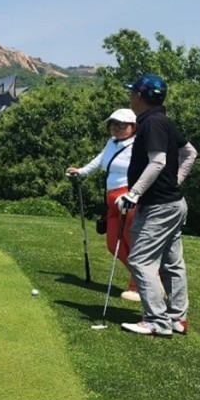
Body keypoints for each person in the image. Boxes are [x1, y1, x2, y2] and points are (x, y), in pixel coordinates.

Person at [117, 74, 199, 337]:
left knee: (140, 260)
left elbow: (158, 161)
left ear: (139, 96)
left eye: (132, 93)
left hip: (158, 206)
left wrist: (134, 193)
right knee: (172, 264)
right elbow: (190, 153)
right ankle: (177, 318)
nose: (130, 97)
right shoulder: (163, 120)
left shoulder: (151, 123)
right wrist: (175, 181)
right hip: (174, 203)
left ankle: (156, 320)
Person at [67, 108, 140, 302]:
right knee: (113, 244)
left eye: (122, 125)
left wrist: (133, 195)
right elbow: (100, 160)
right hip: (111, 199)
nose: (116, 128)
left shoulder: (138, 144)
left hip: (128, 197)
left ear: (133, 126)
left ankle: (139, 286)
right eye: (113, 124)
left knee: (132, 243)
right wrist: (82, 172)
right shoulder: (111, 142)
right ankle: (147, 280)